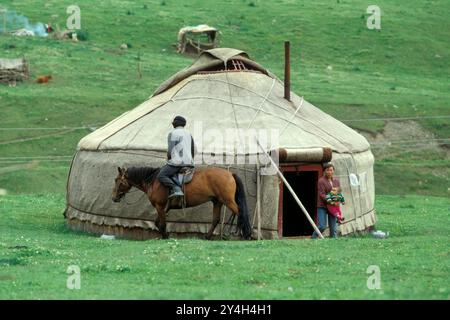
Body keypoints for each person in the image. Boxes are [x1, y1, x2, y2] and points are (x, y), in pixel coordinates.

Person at [157, 116, 196, 199]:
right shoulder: (189, 134)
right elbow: (195, 150)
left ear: (175, 123)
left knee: (161, 175)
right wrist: (190, 159)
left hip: (177, 164)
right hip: (190, 163)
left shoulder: (173, 133)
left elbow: (171, 150)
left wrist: (168, 158)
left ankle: (176, 189)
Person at [312, 163, 341, 238]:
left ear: (333, 171)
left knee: (333, 227)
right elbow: (322, 194)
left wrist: (338, 201)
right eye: (327, 170)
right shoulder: (321, 181)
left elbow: (338, 192)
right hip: (322, 206)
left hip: (332, 206)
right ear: (324, 171)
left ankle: (333, 243)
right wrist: (330, 200)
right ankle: (313, 237)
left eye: (331, 170)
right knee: (322, 226)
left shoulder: (336, 181)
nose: (329, 172)